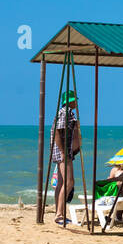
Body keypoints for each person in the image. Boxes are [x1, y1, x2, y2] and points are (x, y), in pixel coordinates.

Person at [52, 91, 81, 226]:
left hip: (62, 151)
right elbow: (58, 131)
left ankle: (59, 212)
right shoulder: (65, 112)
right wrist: (64, 152)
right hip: (63, 152)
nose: (76, 102)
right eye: (74, 100)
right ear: (69, 101)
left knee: (61, 182)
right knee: (69, 182)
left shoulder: (65, 112)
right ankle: (59, 214)